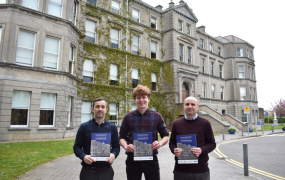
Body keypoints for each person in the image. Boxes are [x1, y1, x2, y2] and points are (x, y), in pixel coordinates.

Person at [119, 85, 169, 180]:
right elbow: (121, 137)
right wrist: (126, 146)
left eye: (144, 97)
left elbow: (165, 136)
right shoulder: (128, 117)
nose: (141, 100)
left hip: (151, 159)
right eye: (138, 98)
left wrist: (160, 143)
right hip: (132, 159)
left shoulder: (157, 116)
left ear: (149, 99)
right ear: (135, 100)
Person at [169, 97, 216, 180]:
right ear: (184, 106)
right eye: (187, 104)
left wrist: (201, 150)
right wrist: (174, 150)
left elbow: (212, 144)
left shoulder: (205, 123)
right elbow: (172, 143)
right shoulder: (176, 123)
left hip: (201, 170)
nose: (190, 106)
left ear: (197, 107)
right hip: (181, 171)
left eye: (193, 104)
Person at [74, 98, 120, 180]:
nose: (100, 109)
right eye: (97, 106)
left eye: (102, 107)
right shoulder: (84, 127)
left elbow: (116, 147)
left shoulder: (112, 127)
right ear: (93, 109)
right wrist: (83, 156)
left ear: (106, 110)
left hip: (106, 171)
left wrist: (114, 154)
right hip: (88, 172)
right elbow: (76, 147)